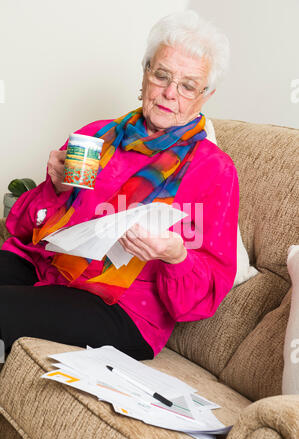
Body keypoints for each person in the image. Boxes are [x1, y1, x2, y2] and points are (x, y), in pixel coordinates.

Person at [0, 10, 239, 361]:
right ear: (145, 74)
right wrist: (55, 189)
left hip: (123, 309)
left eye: (188, 85)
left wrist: (176, 257)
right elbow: (20, 230)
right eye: (162, 75)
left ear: (205, 95)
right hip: (46, 266)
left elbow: (200, 301)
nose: (170, 93)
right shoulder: (96, 135)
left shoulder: (213, 170)